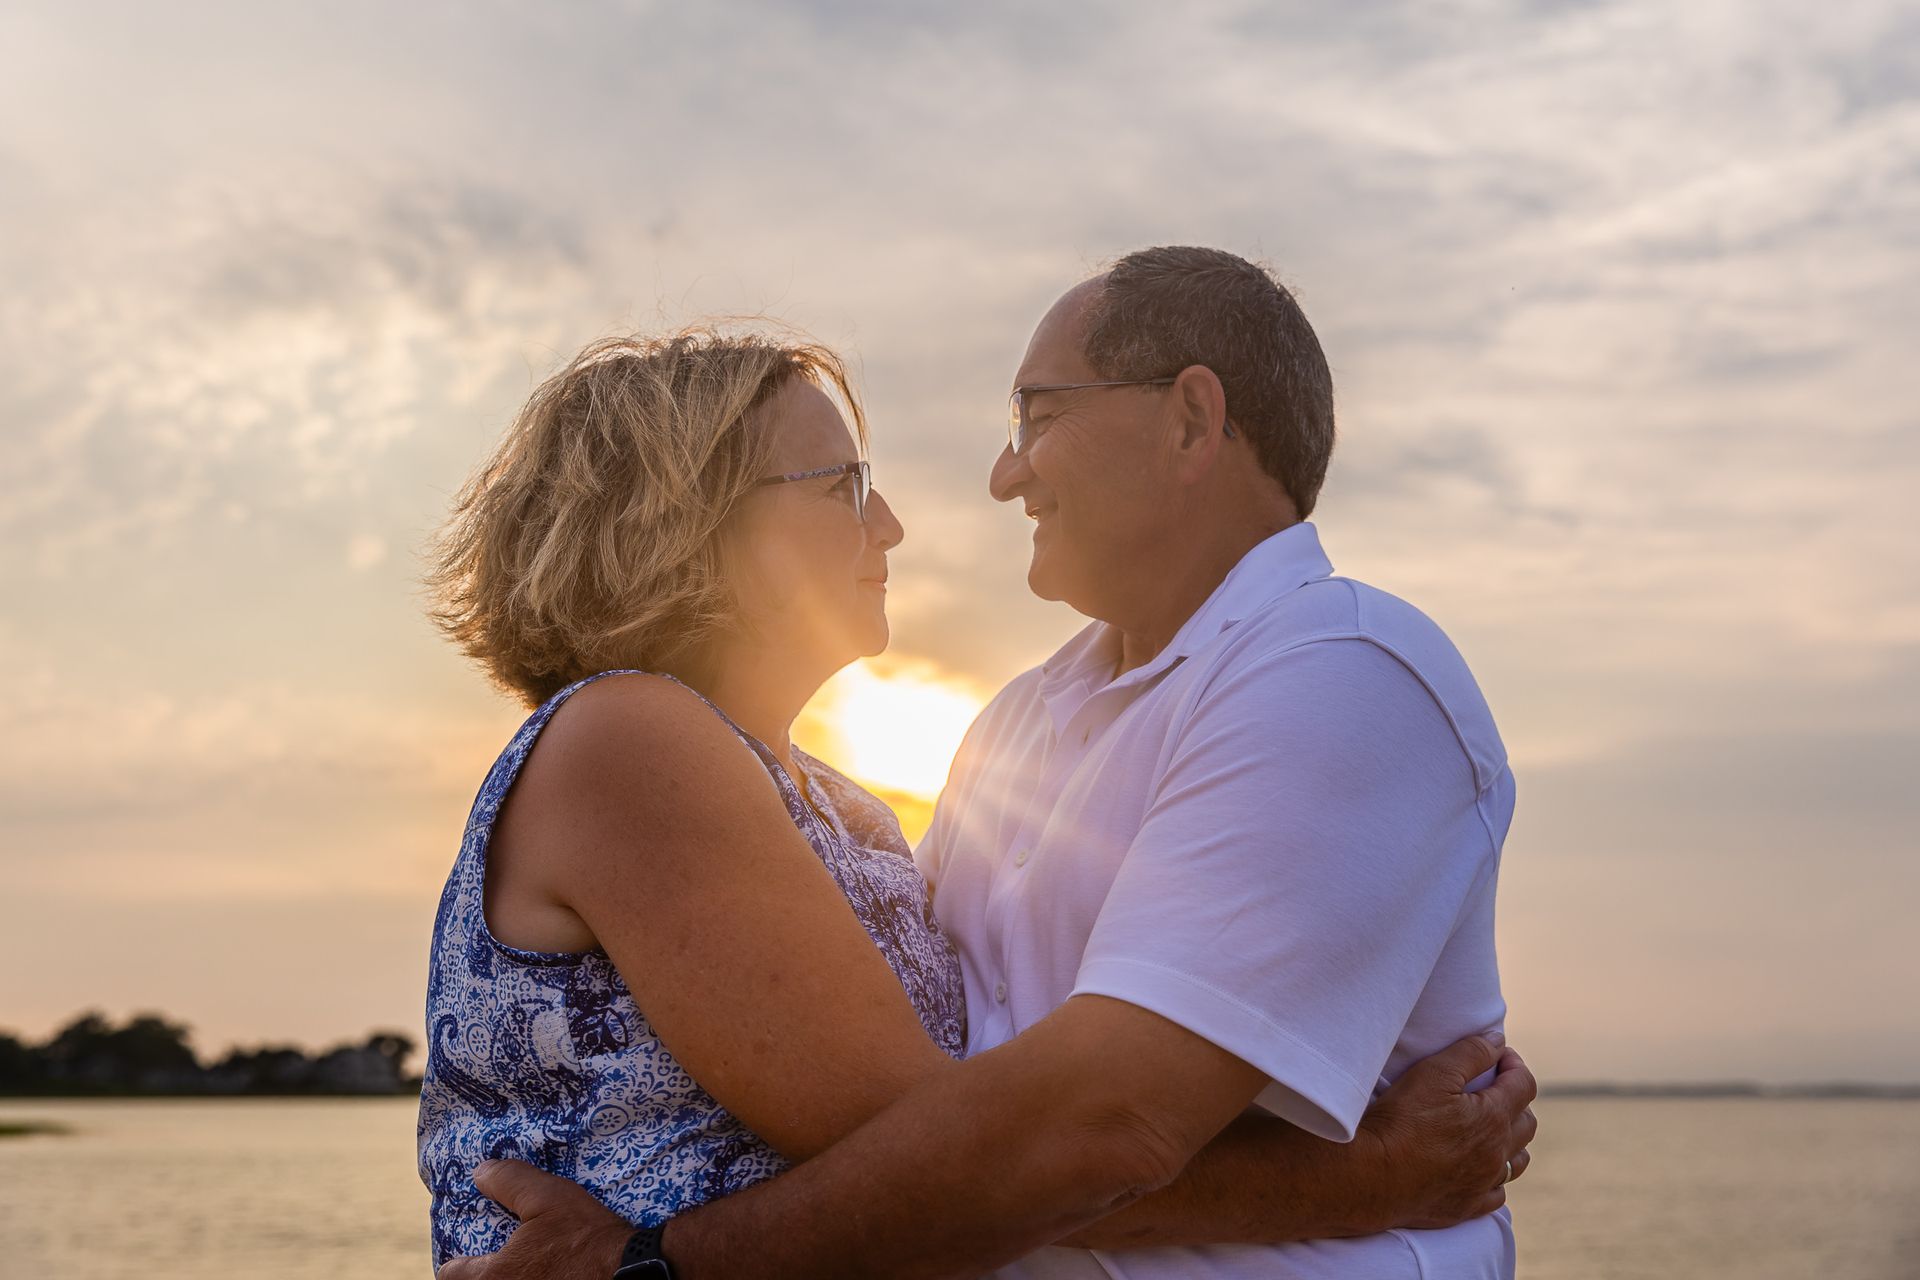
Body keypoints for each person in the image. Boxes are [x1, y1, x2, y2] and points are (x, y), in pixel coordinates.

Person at [426, 269, 1535, 1279]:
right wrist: (1374, 1175)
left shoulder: (1332, 667)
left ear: (1192, 420)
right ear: (683, 523)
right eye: (842, 487)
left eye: (1037, 417)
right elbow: (954, 1139)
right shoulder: (635, 738)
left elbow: (986, 1139)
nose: (909, 518)